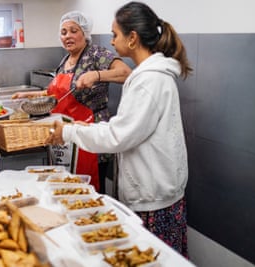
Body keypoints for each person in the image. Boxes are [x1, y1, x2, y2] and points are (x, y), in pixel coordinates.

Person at [46, 2, 192, 257]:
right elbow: (129, 127)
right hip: (155, 192)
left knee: (151, 259)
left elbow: (118, 136)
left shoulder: (149, 81)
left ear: (132, 38)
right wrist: (85, 128)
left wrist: (69, 132)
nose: (112, 41)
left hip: (153, 200)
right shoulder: (149, 76)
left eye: (115, 35)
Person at [13, 11, 131, 194]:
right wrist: (32, 95)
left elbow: (126, 73)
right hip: (66, 136)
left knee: (90, 191)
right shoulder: (64, 61)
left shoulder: (96, 54)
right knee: (67, 189)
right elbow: (59, 93)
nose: (67, 36)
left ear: (85, 33)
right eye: (63, 32)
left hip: (91, 132)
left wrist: (97, 75)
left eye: (73, 31)